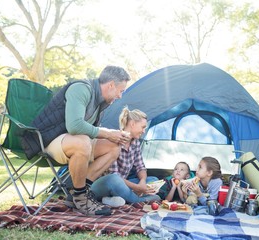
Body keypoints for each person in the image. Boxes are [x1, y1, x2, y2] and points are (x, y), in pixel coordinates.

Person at [21, 65, 131, 216]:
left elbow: (88, 131)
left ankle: (78, 193)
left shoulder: (100, 102)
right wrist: (106, 133)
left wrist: (112, 134)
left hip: (69, 141)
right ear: (111, 85)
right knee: (82, 142)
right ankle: (81, 197)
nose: (120, 96)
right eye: (121, 91)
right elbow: (74, 126)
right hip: (45, 140)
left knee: (113, 146)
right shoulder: (81, 89)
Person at [91, 107, 161, 204]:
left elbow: (140, 167)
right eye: (143, 127)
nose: (144, 131)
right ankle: (138, 200)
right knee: (114, 180)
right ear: (132, 124)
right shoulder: (115, 140)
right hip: (105, 184)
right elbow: (114, 176)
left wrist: (143, 182)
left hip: (123, 184)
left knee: (153, 180)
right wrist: (137, 187)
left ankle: (117, 199)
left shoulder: (135, 143)